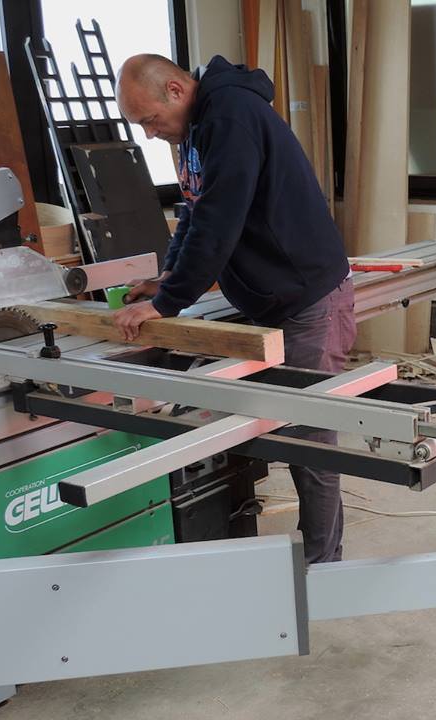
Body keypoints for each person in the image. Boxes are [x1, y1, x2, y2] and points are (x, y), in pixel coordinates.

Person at [113, 53, 354, 564]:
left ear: (176, 90)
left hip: (306, 297)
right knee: (282, 426)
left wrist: (169, 302)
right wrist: (166, 282)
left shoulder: (229, 117)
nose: (150, 135)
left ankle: (324, 567)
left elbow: (220, 221)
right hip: (271, 298)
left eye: (150, 120)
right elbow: (195, 211)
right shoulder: (196, 132)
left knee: (311, 440)